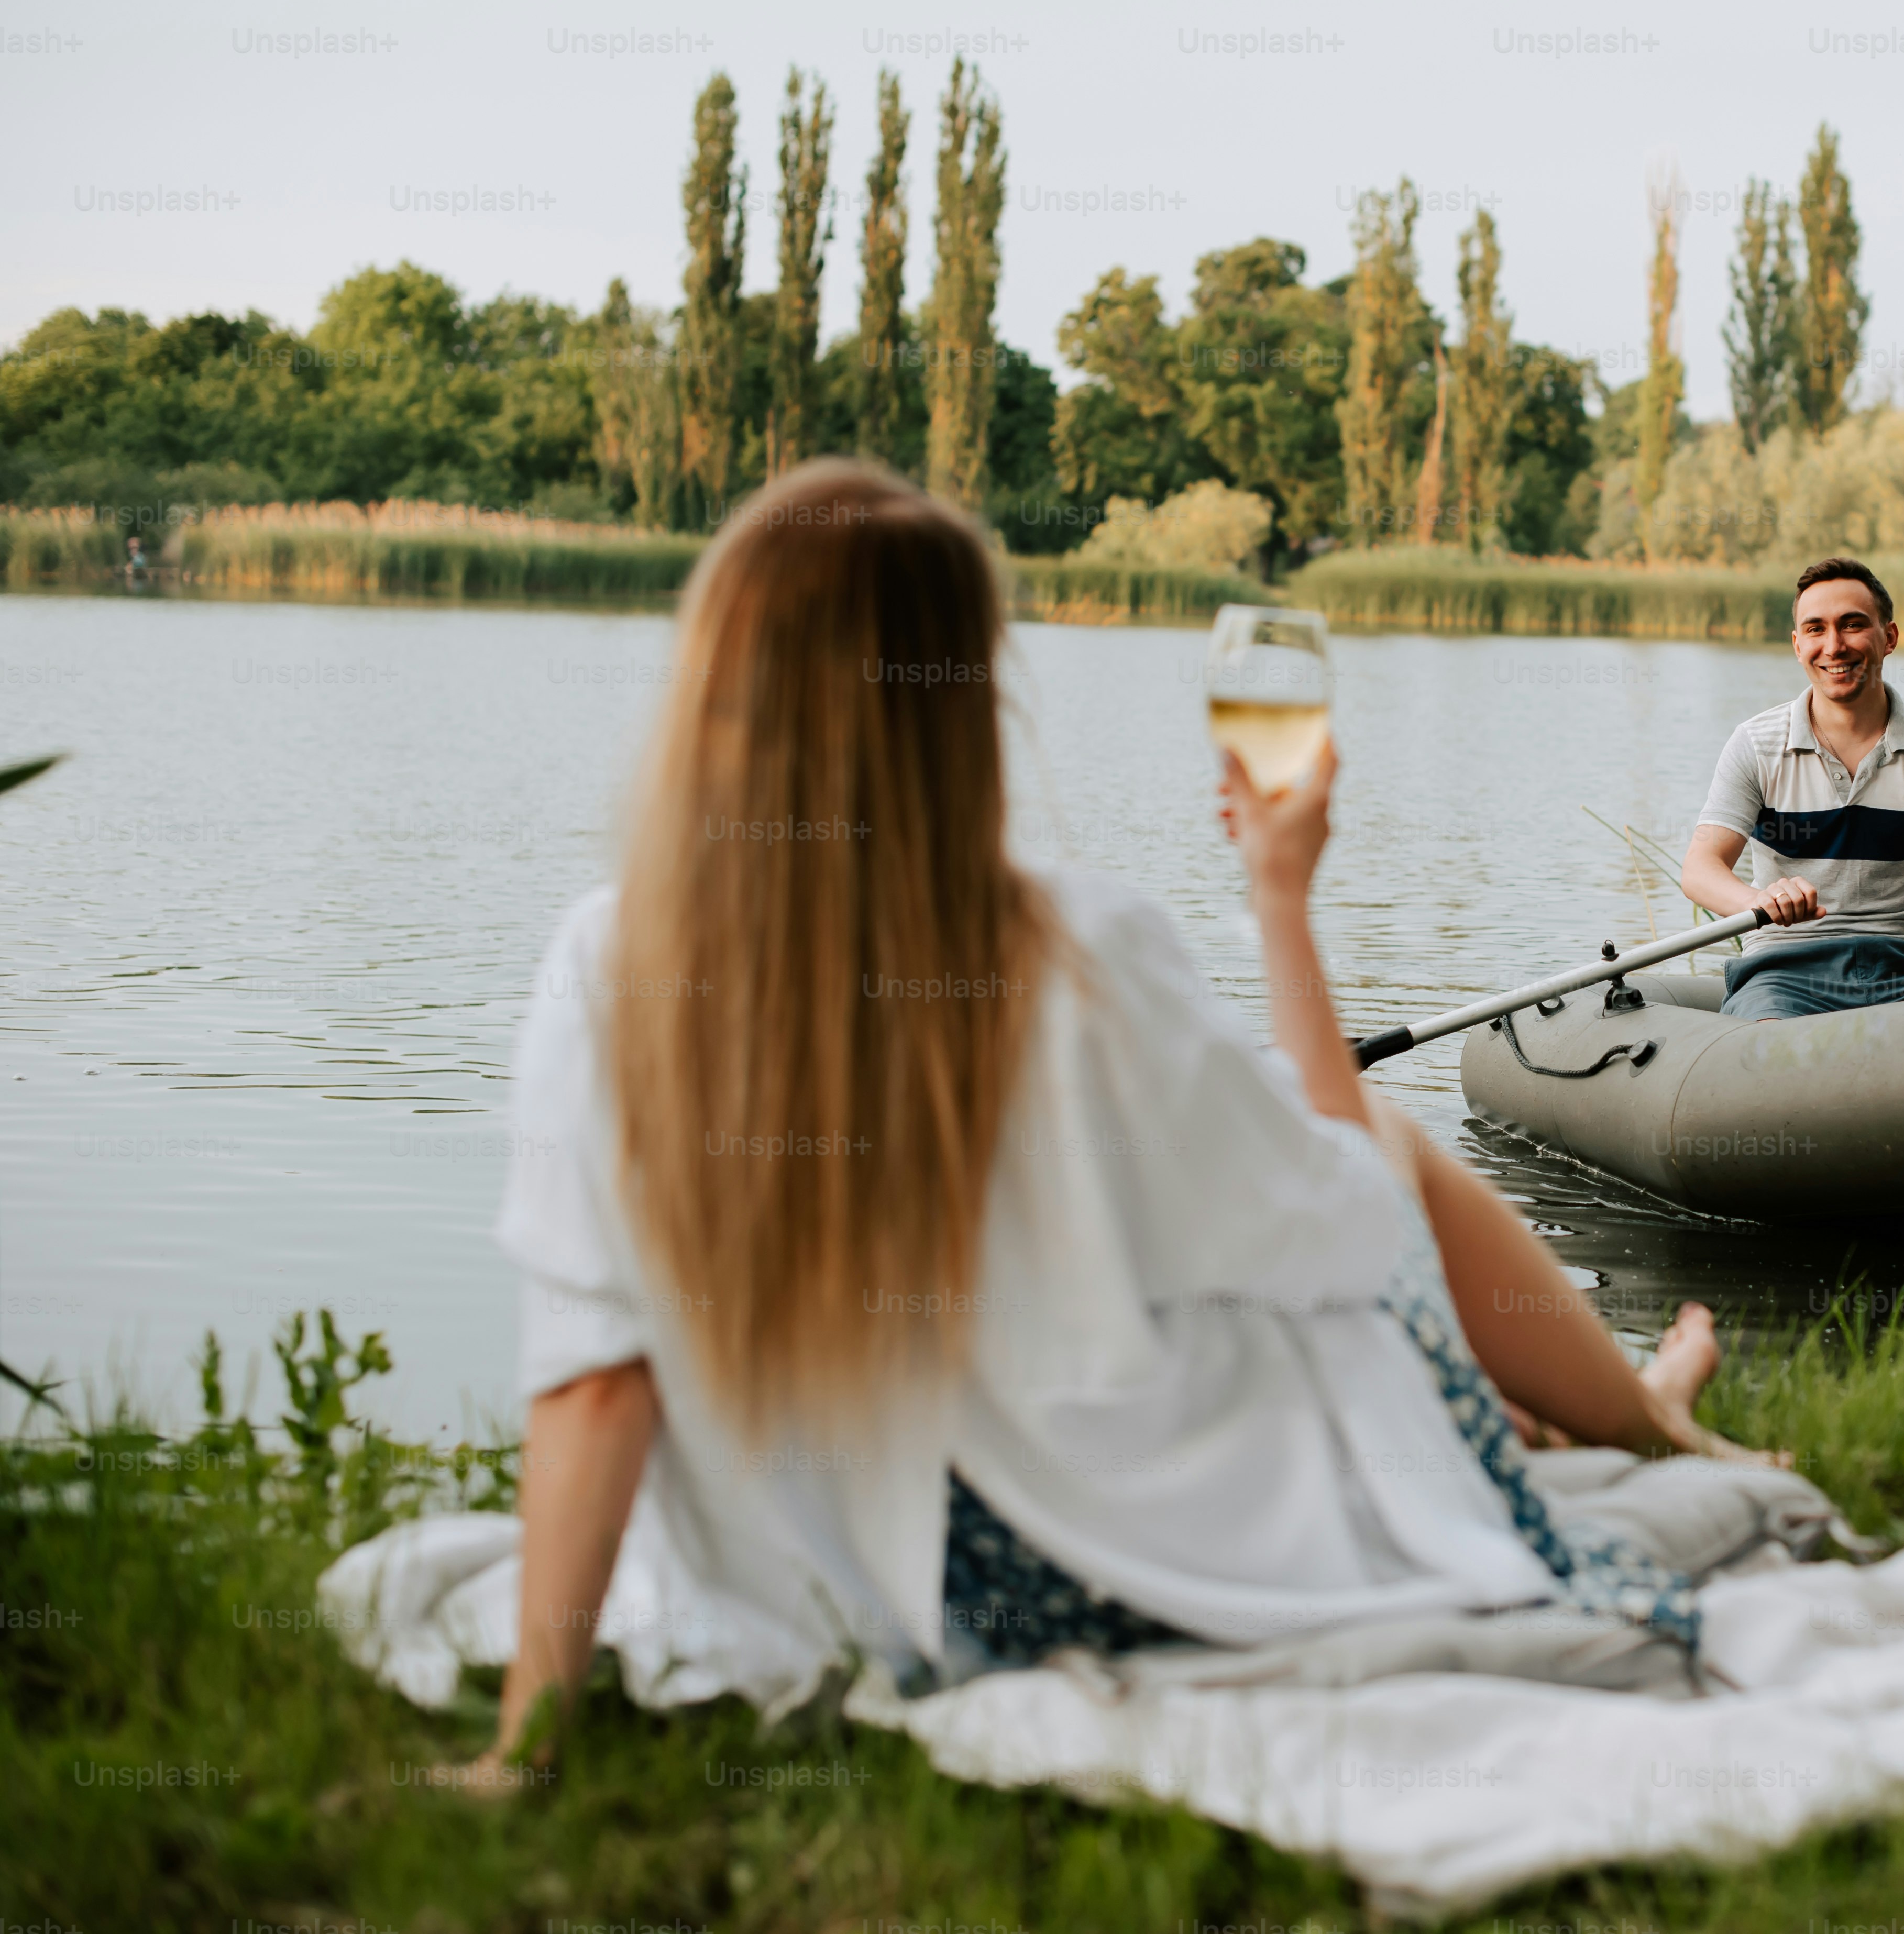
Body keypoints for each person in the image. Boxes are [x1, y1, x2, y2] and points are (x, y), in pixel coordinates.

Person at [474, 461, 1766, 1781]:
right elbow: (1350, 1229)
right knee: (1369, 1148)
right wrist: (1280, 899)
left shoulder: (609, 960)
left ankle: (1572, 1417)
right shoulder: (1076, 948)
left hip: (879, 1597)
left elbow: (594, 1375)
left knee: (1259, 1190)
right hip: (1106, 1576)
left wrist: (529, 1740)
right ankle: (1640, 1421)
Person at [1678, 556, 1904, 1020]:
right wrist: (1759, 901)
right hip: (1782, 977)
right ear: (1798, 645)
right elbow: (1700, 869)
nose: (1834, 646)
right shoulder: (1757, 743)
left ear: (1888, 638)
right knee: (1767, 1051)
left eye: (1852, 625)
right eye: (1815, 629)